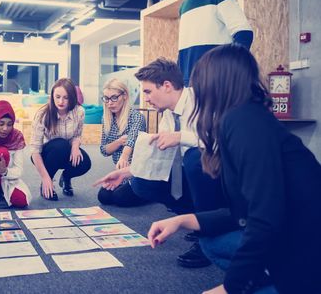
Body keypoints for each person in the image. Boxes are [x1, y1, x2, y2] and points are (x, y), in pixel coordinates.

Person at [147, 44, 321, 294]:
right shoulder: (242, 117)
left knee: (224, 246)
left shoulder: (244, 122)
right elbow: (245, 211)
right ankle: (262, 276)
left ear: (215, 83)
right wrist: (181, 220)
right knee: (212, 241)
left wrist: (229, 288)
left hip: (306, 246)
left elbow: (265, 215)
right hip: (290, 231)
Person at [94, 58, 224, 268]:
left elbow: (223, 142)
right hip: (187, 176)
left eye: (147, 92)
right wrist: (126, 172)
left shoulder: (202, 101)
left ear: (166, 86)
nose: (145, 99)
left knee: (194, 158)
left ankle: (209, 236)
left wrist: (182, 136)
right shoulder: (167, 115)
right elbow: (158, 158)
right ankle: (195, 219)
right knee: (141, 183)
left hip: (218, 174)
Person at [172, 0, 253, 86]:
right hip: (189, 84)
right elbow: (184, 50)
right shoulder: (183, 7)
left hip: (217, 81)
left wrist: (230, 70)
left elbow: (244, 34)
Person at [30, 78, 91, 200]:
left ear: (72, 98)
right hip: (46, 155)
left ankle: (66, 177)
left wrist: (75, 146)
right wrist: (45, 178)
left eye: (66, 97)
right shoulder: (42, 114)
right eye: (57, 97)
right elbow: (35, 150)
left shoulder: (79, 112)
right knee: (60, 145)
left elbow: (77, 135)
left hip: (66, 151)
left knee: (85, 163)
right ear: (52, 96)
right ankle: (47, 184)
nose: (61, 101)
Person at [97, 78, 147, 207]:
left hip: (137, 172)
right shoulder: (106, 118)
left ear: (124, 96)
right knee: (103, 197)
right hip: (120, 173)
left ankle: (151, 194)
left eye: (114, 98)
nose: (110, 103)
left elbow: (131, 141)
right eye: (106, 98)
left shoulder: (137, 117)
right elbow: (104, 150)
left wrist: (124, 156)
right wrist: (119, 142)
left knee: (120, 198)